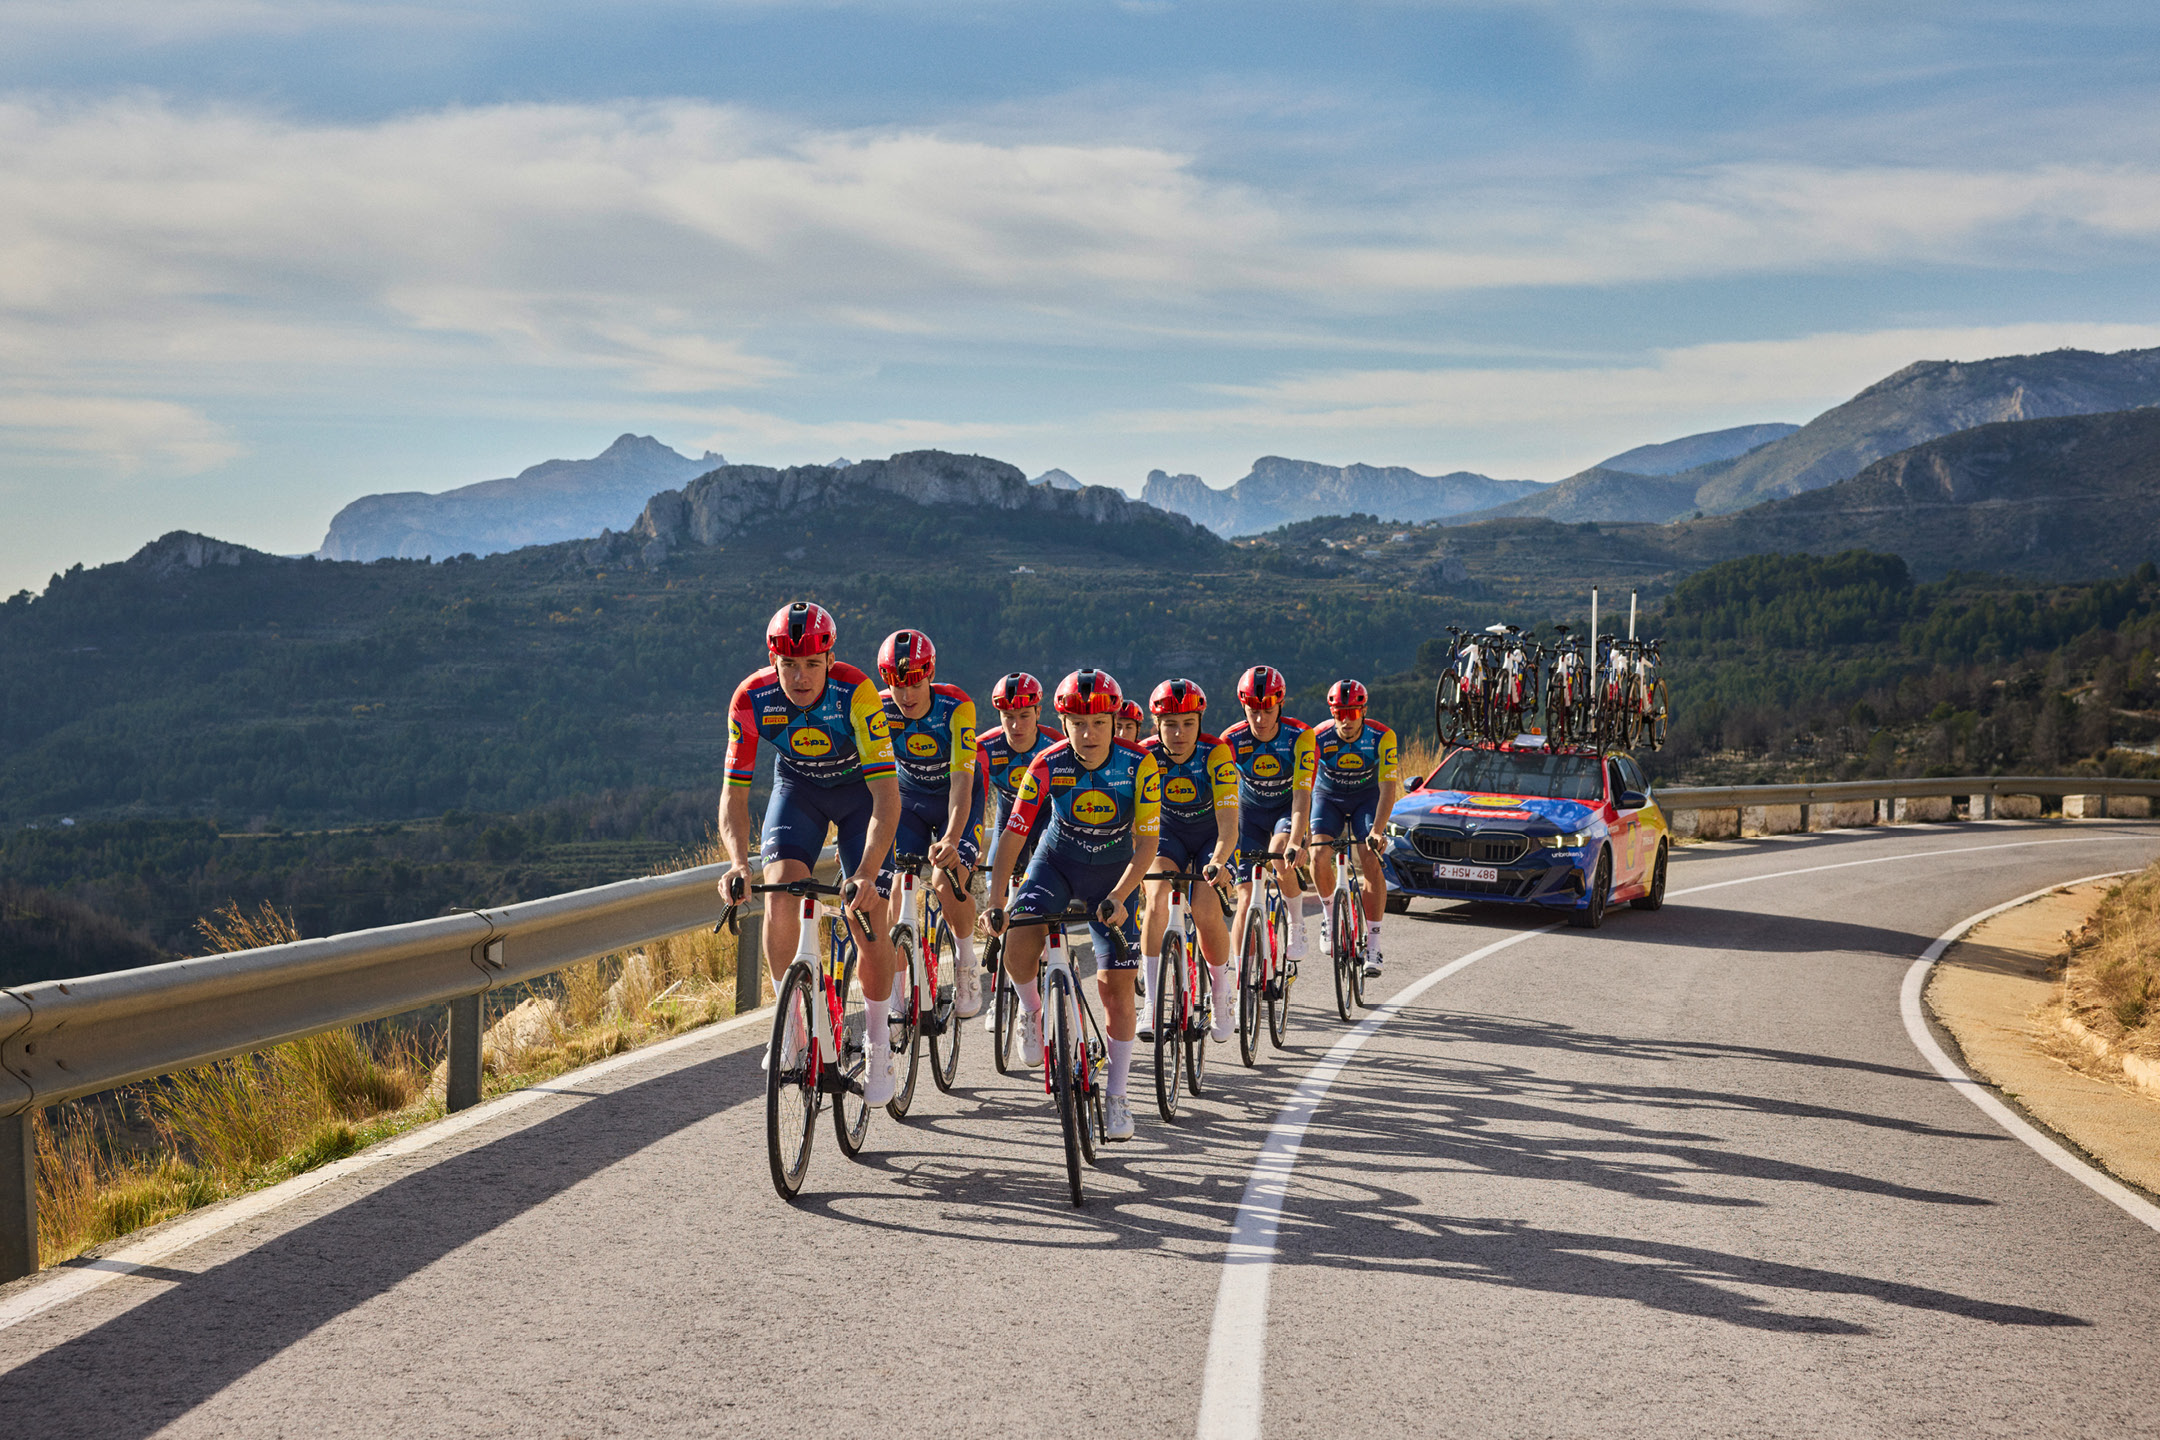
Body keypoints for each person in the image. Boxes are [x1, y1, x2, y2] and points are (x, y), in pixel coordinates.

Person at [718, 601, 904, 1103]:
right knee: (779, 897)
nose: (800, 678)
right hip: (798, 791)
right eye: (789, 666)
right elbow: (734, 796)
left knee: (868, 919)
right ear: (772, 661)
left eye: (812, 665)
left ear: (830, 659)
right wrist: (739, 863)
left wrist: (866, 872)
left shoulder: (857, 693)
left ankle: (880, 1041)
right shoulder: (751, 699)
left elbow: (888, 797)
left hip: (860, 796)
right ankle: (793, 1027)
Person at [986, 669, 1160, 1143]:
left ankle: (1118, 1095)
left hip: (1114, 872)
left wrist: (1122, 897)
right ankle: (1032, 1009)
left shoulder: (1139, 764)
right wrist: (997, 899)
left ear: (1113, 721)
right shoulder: (1046, 763)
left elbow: (1147, 845)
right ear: (1062, 723)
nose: (1088, 734)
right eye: (1077, 723)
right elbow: (1013, 835)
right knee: (1018, 943)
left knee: (1116, 987)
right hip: (1056, 862)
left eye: (1099, 724)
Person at [873, 629, 986, 1014]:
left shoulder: (957, 707)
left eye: (915, 683)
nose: (906, 695)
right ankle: (897, 994)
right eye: (897, 684)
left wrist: (952, 838)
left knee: (943, 881)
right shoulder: (880, 709)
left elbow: (961, 783)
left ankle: (966, 959)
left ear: (930, 675)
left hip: (958, 797)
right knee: (898, 885)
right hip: (910, 802)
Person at [1136, 678, 1239, 1043]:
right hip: (1168, 836)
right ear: (1157, 725)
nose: (1179, 733)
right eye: (1170, 725)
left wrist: (1219, 861)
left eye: (1188, 724)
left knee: (1207, 911)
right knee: (1157, 896)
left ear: (1200, 721)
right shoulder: (1144, 755)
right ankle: (1151, 1001)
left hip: (1212, 837)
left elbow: (1229, 824)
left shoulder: (1217, 752)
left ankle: (1222, 989)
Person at [1289, 679, 1399, 977]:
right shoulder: (1318, 737)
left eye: (1352, 712)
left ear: (1363, 711)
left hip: (1367, 798)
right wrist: (1304, 833)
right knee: (1318, 855)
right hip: (1329, 798)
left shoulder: (1382, 736)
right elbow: (1306, 785)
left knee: (1370, 857)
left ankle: (1374, 943)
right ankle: (1328, 915)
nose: (1346, 719)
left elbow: (1389, 786)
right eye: (1340, 713)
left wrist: (1378, 829)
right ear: (1332, 712)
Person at [1219, 665, 1318, 967]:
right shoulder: (1230, 740)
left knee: (1278, 855)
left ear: (1280, 705)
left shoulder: (1300, 736)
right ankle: (1241, 979)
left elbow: (1302, 796)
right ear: (1243, 707)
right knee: (1246, 899)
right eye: (1252, 711)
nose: (1260, 720)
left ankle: (1297, 922)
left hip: (1286, 811)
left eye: (1267, 711)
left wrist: (1298, 841)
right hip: (1249, 814)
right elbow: (1218, 796)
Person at [973, 671, 1058, 1021]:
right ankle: (1000, 997)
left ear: (1038, 713)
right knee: (999, 900)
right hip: (1010, 823)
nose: (1017, 725)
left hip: (1050, 822)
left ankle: (1052, 964)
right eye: (1009, 717)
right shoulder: (986, 747)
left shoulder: (1053, 746)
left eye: (1024, 716)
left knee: (1045, 902)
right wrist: (973, 841)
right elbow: (974, 799)